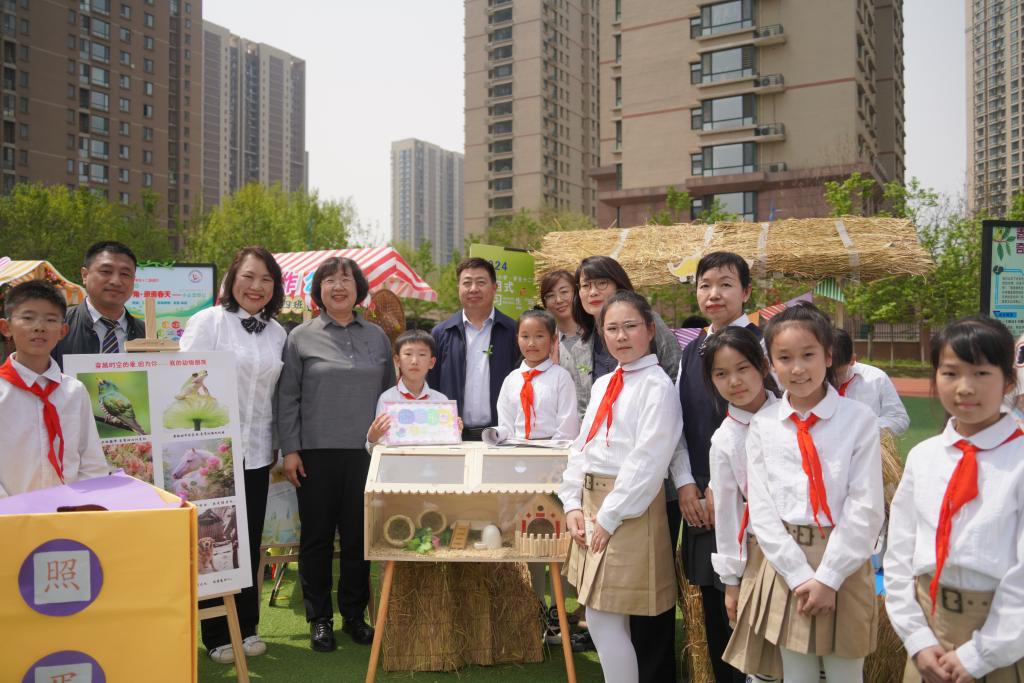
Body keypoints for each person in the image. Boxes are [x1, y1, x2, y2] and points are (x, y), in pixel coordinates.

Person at [745, 303, 883, 682]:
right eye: (784, 358)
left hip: (844, 562)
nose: (797, 368)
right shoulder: (763, 425)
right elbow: (762, 509)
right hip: (787, 564)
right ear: (770, 364)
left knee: (845, 674)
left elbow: (866, 506)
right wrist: (799, 576)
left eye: (808, 355)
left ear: (828, 356)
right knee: (797, 674)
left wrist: (829, 577)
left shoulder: (858, 420)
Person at [558, 254, 683, 671]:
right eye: (612, 329)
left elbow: (648, 461)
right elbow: (583, 445)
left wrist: (609, 516)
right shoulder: (605, 384)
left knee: (607, 616)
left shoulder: (657, 386)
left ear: (651, 330)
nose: (621, 336)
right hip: (593, 504)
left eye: (631, 327)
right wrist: (571, 503)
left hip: (627, 508)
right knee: (602, 616)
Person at [885, 316, 1024, 683]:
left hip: (1003, 636)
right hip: (929, 627)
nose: (965, 387)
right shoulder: (924, 457)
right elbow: (899, 553)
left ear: (1009, 381)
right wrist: (916, 638)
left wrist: (981, 655)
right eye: (950, 373)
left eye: (981, 373)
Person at [277, 257, 396, 652]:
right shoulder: (300, 337)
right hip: (315, 454)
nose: (339, 286)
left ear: (358, 288)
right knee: (317, 539)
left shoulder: (377, 337)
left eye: (346, 279)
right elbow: (287, 398)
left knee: (360, 538)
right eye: (330, 280)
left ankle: (354, 616)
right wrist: (290, 450)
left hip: (366, 455)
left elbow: (389, 396)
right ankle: (320, 620)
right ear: (319, 290)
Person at [179, 246, 287, 665]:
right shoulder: (208, 322)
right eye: (248, 276)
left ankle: (247, 626)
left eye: (265, 279)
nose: (256, 286)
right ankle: (216, 634)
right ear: (231, 280)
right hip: (215, 454)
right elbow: (185, 385)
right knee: (212, 537)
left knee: (249, 541)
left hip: (258, 453)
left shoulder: (277, 332)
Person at [672, 251, 762, 683]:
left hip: (755, 501)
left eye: (725, 284)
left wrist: (726, 489)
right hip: (700, 502)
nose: (714, 294)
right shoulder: (691, 352)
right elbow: (678, 423)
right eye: (705, 285)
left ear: (746, 291)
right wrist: (686, 484)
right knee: (718, 612)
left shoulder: (766, 345)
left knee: (760, 611)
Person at [701, 327, 783, 680]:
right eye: (721, 373)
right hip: (759, 557)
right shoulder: (725, 440)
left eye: (742, 368)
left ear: (763, 366)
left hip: (814, 549)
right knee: (764, 662)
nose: (734, 381)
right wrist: (732, 582)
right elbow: (728, 515)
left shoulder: (795, 418)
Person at [0, 280, 108, 496]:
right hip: (10, 511)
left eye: (50, 319)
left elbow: (91, 460)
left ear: (63, 330)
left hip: (70, 509)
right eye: (28, 318)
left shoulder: (75, 391)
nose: (39, 327)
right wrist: (11, 509)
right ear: (6, 327)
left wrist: (82, 505)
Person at [428, 257, 519, 441]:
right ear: (458, 288)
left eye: (481, 282)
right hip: (452, 437)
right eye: (467, 283)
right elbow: (431, 385)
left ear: (495, 287)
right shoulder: (441, 333)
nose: (473, 289)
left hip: (501, 436)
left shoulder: (514, 332)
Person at [53, 241, 146, 368]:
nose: (116, 281)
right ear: (85, 275)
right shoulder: (58, 324)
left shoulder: (146, 334)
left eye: (125, 274)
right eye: (106, 271)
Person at [492, 309, 579, 444]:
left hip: (553, 448)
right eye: (525, 336)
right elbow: (505, 421)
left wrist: (552, 449)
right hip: (516, 447)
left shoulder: (561, 377)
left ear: (553, 339)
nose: (531, 343)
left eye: (539, 336)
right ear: (517, 339)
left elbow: (568, 423)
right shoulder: (511, 379)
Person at [366, 329, 451, 452]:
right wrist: (373, 438)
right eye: (408, 354)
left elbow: (448, 447)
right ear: (397, 361)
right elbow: (375, 449)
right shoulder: (387, 399)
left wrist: (453, 431)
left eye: (422, 354)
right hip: (397, 463)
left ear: (432, 362)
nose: (414, 361)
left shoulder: (441, 401)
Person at [831, 328, 910, 436]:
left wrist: (866, 427)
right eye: (827, 373)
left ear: (852, 359)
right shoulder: (812, 381)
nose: (832, 379)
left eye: (839, 374)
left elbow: (899, 418)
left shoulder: (876, 379)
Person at [540, 270, 580, 363]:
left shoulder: (595, 335)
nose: (558, 300)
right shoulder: (544, 340)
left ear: (576, 293)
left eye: (564, 292)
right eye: (550, 295)